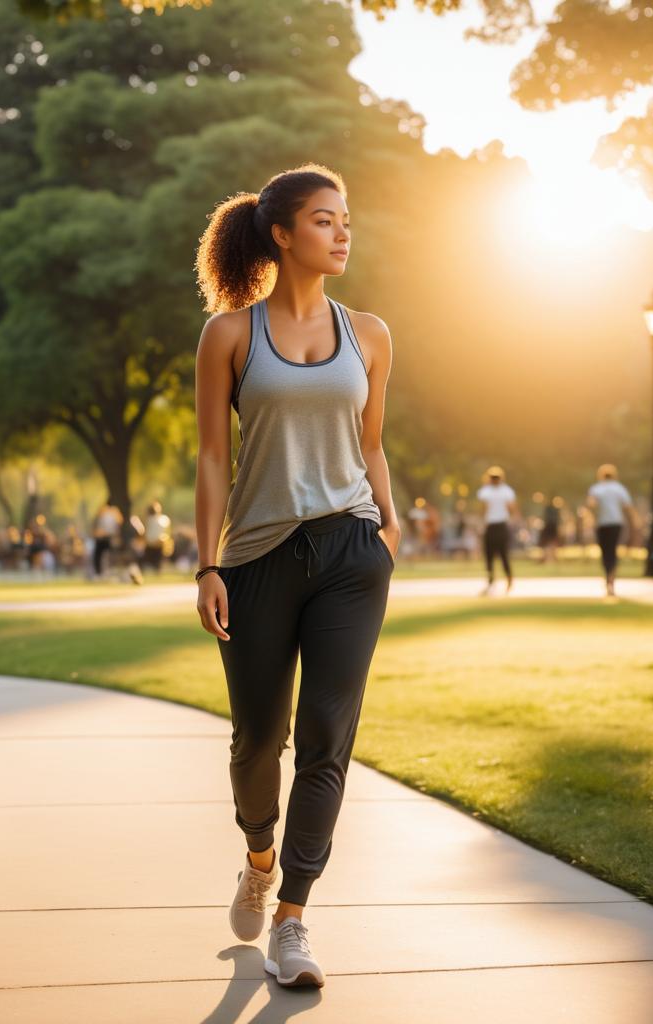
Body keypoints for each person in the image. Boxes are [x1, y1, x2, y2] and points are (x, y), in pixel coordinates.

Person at [193, 164, 399, 989]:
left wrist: (387, 527)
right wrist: (207, 561)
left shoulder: (371, 334)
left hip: (351, 552)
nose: (342, 232)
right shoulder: (231, 335)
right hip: (257, 560)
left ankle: (294, 920)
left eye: (346, 219)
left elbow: (373, 442)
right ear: (281, 234)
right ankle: (259, 856)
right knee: (256, 742)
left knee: (327, 742)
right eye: (324, 220)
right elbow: (212, 456)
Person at [587, 463, 636, 597]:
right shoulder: (619, 488)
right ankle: (611, 578)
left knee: (605, 551)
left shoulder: (597, 489)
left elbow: (591, 505)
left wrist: (591, 516)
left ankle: (608, 576)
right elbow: (628, 506)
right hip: (616, 523)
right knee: (613, 550)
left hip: (602, 523)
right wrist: (635, 521)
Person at [476, 466, 517, 594]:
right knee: (498, 554)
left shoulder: (486, 491)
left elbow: (483, 509)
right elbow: (511, 508)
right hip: (499, 525)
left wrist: (481, 523)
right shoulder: (506, 491)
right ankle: (498, 580)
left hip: (494, 525)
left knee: (494, 555)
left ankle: (495, 580)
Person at [91, 497, 120, 579]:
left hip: (102, 537)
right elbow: (118, 525)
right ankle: (105, 572)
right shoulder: (115, 512)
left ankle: (100, 573)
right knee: (107, 555)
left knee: (99, 556)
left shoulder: (103, 510)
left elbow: (96, 523)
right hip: (108, 536)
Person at [142, 500, 172, 573]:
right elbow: (167, 533)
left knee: (151, 563)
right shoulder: (164, 519)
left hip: (152, 544)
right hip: (158, 543)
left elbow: (144, 532)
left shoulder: (147, 520)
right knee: (156, 563)